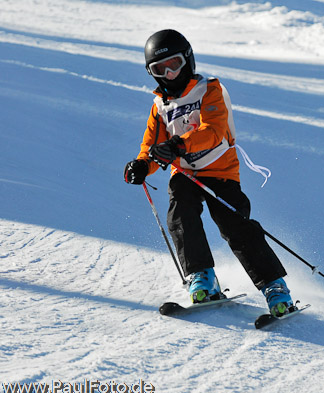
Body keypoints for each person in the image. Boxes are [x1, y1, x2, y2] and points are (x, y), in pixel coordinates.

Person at [123, 29, 294, 317]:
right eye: (159, 69)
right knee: (180, 214)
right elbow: (152, 147)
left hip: (220, 171)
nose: (169, 74)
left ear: (187, 60)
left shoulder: (209, 89)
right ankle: (202, 277)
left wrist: (177, 144)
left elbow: (213, 131)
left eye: (174, 64)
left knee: (235, 226)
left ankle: (275, 288)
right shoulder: (159, 107)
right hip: (186, 174)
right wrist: (143, 165)